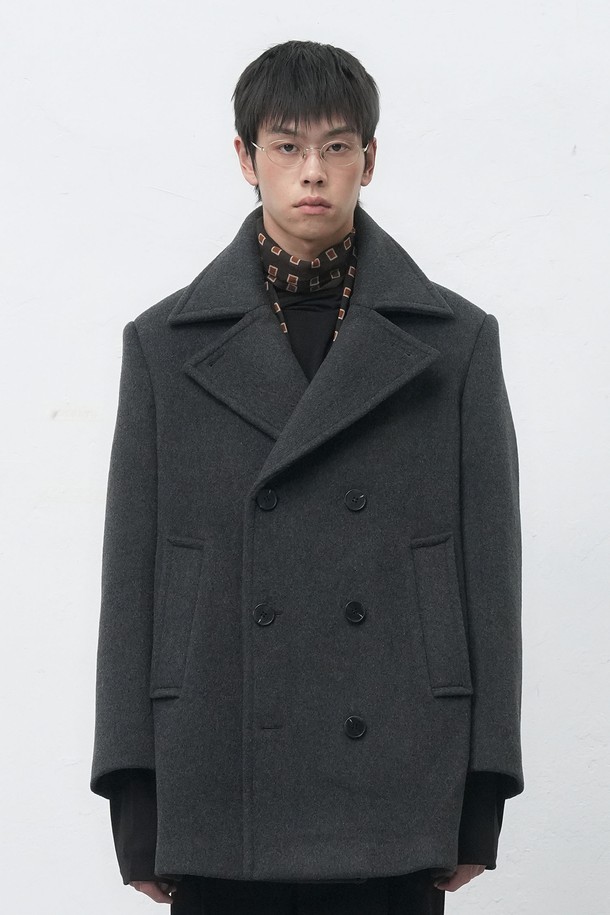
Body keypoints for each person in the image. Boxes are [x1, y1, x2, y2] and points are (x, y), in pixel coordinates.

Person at [90, 40, 524, 914]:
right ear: (246, 157)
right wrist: (134, 796)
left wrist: (483, 791)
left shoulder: (456, 342)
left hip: (402, 763)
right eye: (287, 146)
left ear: (371, 156)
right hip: (218, 763)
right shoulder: (163, 346)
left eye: (336, 146)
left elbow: (490, 578)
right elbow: (134, 583)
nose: (313, 171)